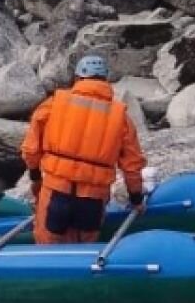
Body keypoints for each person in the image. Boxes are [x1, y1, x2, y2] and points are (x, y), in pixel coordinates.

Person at [21, 55, 147, 244]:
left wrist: (35, 178)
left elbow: (31, 149)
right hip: (92, 199)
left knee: (47, 245)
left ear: (78, 78)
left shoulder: (55, 104)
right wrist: (136, 199)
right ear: (105, 80)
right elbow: (132, 165)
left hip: (56, 191)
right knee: (84, 248)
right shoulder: (120, 117)